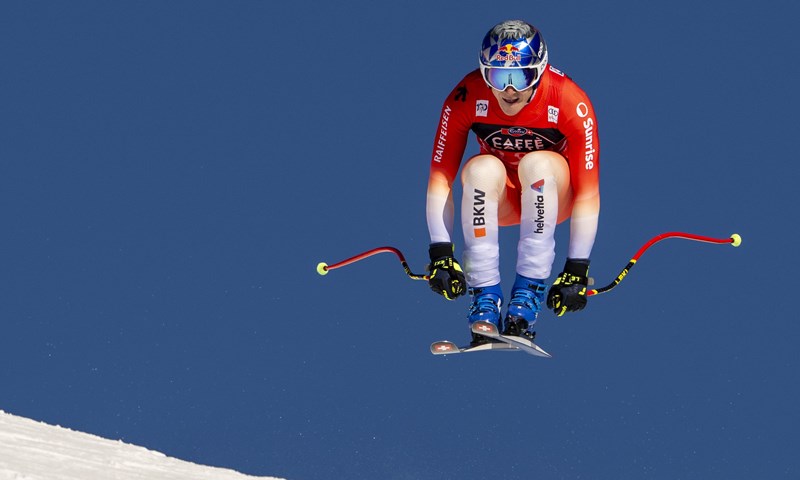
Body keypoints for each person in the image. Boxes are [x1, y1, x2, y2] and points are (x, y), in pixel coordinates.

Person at [425, 19, 600, 345]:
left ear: (539, 72)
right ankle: (485, 300)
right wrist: (440, 252)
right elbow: (440, 179)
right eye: (497, 75)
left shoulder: (567, 100)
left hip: (552, 195)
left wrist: (576, 267)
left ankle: (526, 298)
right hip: (502, 198)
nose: (508, 90)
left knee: (538, 164)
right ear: (483, 72)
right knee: (480, 169)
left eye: (520, 77)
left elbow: (588, 193)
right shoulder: (466, 96)